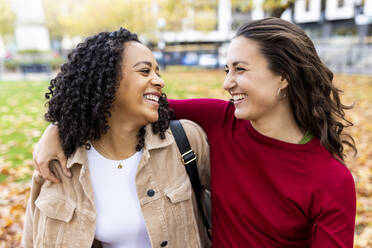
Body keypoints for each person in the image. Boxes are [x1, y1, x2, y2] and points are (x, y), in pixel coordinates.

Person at [32, 18, 357, 247]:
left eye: (240, 69)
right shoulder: (219, 121)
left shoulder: (330, 180)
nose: (227, 83)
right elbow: (124, 104)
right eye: (227, 69)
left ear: (283, 77)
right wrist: (57, 129)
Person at [23, 27, 211, 248]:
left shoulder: (186, 142)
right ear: (106, 81)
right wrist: (56, 129)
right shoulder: (60, 161)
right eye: (145, 71)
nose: (159, 81)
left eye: (157, 72)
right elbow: (32, 237)